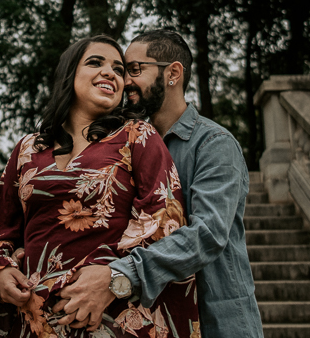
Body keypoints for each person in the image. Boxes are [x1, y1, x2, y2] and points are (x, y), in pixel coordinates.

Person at [0, 35, 201, 338]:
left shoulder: (137, 137)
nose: (111, 73)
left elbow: (165, 222)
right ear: (69, 73)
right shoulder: (27, 149)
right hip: (35, 321)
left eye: (118, 69)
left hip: (111, 316)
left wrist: (111, 279)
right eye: (95, 62)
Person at [54, 29, 264, 338]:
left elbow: (207, 234)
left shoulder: (214, 144)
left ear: (173, 73)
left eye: (134, 70)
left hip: (217, 322)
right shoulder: (128, 146)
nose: (124, 81)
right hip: (157, 323)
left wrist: (118, 275)